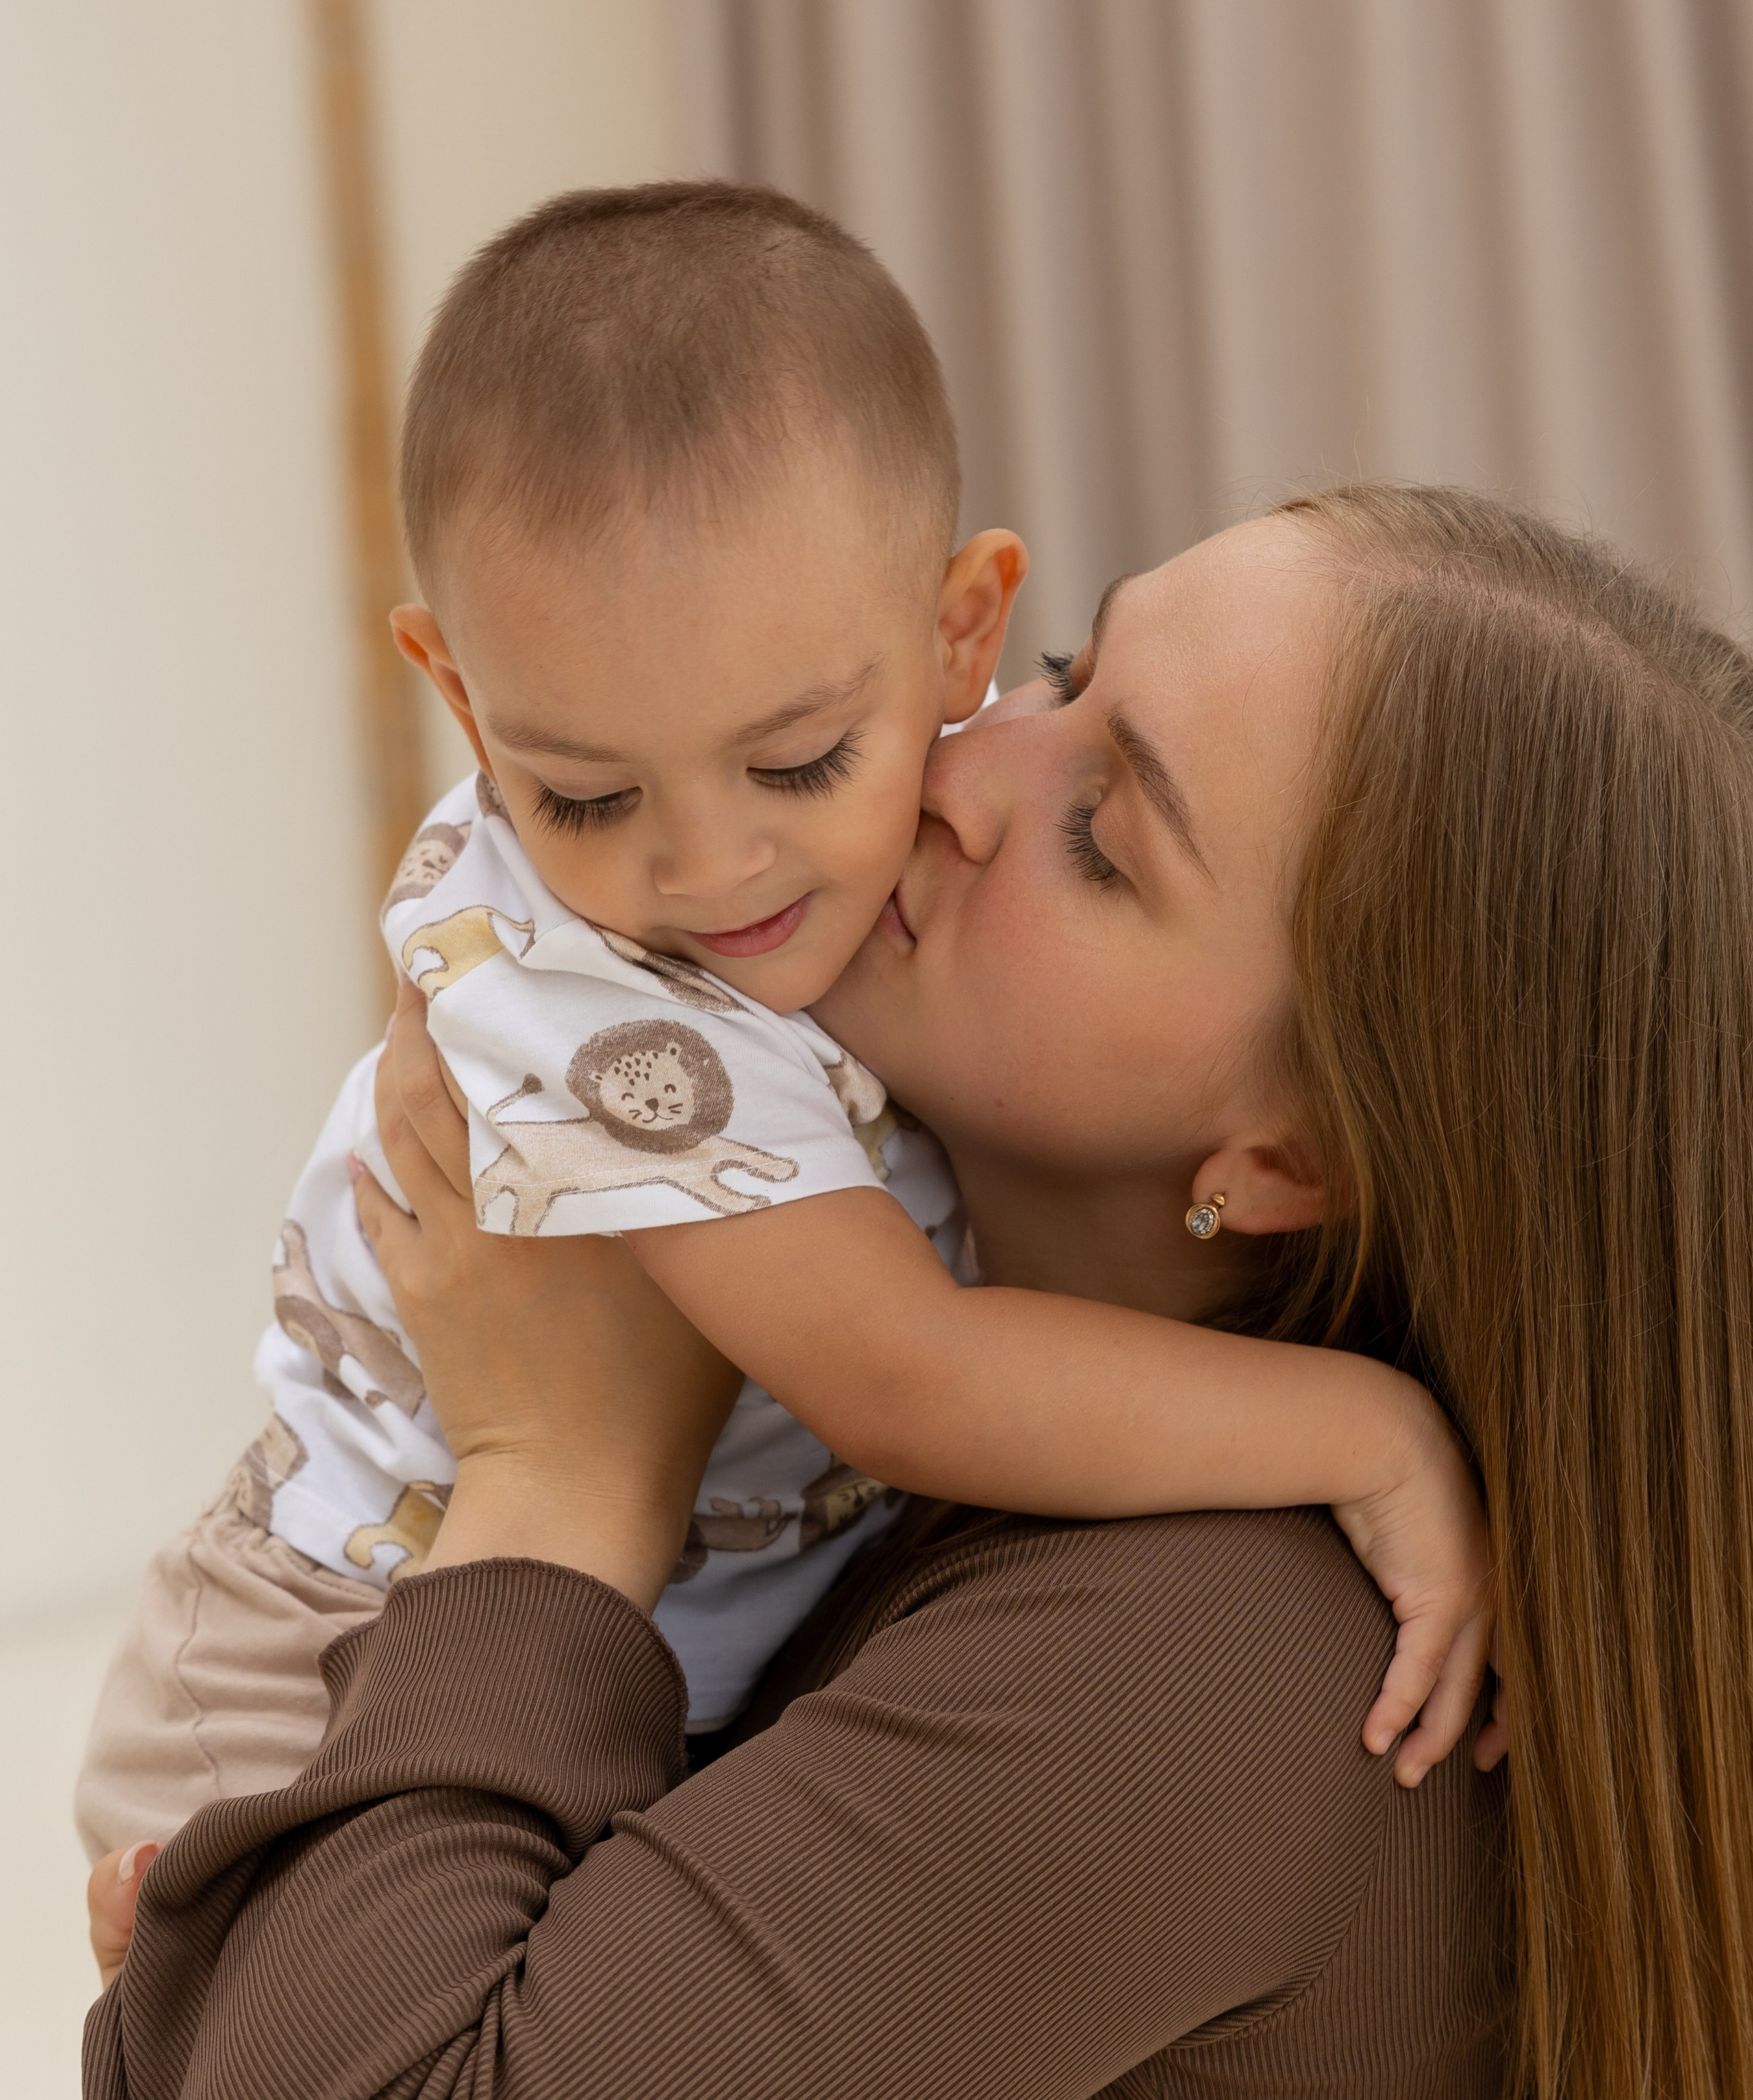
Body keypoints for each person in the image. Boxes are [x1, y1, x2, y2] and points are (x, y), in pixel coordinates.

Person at [75, 184, 1487, 1875]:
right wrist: (1368, 1429)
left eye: (802, 764)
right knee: (279, 2078)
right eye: (583, 791)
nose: (703, 867)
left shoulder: (866, 852)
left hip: (629, 1657)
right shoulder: (567, 974)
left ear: (957, 629)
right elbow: (906, 1380)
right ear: (460, 693)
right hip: (315, 1646)